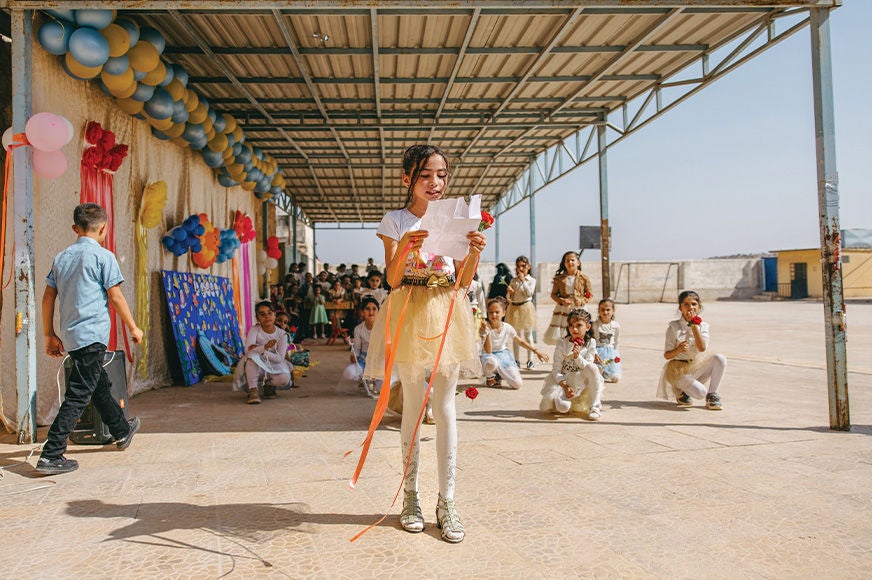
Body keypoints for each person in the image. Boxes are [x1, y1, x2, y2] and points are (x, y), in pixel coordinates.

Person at [362, 144, 486, 543]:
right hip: (411, 311)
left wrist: (475, 253)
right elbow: (394, 279)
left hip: (446, 311)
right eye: (425, 175)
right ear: (407, 179)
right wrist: (410, 246)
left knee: (446, 407)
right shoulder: (395, 220)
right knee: (414, 407)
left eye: (442, 175)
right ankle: (410, 496)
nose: (435, 183)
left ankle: (446, 500)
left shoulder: (457, 218)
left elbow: (463, 282)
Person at [38, 203, 144, 475]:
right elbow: (115, 296)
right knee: (79, 394)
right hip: (93, 334)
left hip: (73, 335)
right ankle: (51, 453)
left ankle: (121, 431)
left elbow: (48, 296)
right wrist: (133, 327)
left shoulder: (62, 258)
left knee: (98, 385)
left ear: (75, 229)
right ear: (104, 229)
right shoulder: (103, 256)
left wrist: (49, 334)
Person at [657, 290, 726, 410]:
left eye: (694, 304)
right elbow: (667, 355)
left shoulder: (703, 326)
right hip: (678, 369)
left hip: (696, 364)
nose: (690, 308)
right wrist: (678, 349)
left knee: (719, 359)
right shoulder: (673, 327)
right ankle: (682, 391)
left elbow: (702, 348)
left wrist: (694, 325)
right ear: (680, 307)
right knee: (700, 393)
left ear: (699, 307)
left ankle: (712, 395)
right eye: (686, 304)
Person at [539, 308, 605, 421]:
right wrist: (565, 386)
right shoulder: (562, 343)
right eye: (571, 325)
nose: (574, 329)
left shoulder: (591, 343)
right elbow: (556, 370)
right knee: (563, 407)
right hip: (566, 381)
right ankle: (565, 400)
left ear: (588, 327)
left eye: (579, 325)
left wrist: (577, 357)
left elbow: (587, 365)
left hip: (582, 380)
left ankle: (595, 407)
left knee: (593, 368)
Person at [479, 297, 548, 389]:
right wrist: (487, 332)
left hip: (503, 355)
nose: (494, 315)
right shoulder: (485, 328)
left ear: (503, 313)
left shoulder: (507, 327)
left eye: (497, 312)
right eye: (491, 312)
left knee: (517, 384)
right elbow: (488, 350)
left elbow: (520, 341)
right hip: (488, 355)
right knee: (491, 363)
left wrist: (536, 351)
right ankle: (490, 377)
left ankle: (499, 374)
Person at [233, 301, 291, 404]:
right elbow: (247, 351)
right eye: (262, 314)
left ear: (274, 315)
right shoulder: (255, 330)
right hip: (254, 369)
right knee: (252, 357)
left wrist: (261, 350)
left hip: (273, 367)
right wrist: (264, 347)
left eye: (270, 313)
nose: (267, 317)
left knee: (284, 378)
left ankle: (268, 386)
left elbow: (279, 359)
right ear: (257, 318)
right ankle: (253, 390)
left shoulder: (282, 334)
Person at [543, 250, 593, 345]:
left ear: (578, 262)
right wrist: (561, 301)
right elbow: (553, 295)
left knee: (579, 330)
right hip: (563, 309)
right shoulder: (559, 278)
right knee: (564, 333)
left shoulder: (584, 278)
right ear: (564, 263)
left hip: (579, 308)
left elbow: (589, 294)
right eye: (567, 261)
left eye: (572, 260)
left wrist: (582, 301)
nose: (570, 263)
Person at [505, 255, 538, 368]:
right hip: (514, 308)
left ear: (528, 266)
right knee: (516, 335)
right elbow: (509, 297)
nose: (521, 269)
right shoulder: (513, 280)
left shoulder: (531, 280)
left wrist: (523, 281)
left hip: (525, 308)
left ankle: (530, 360)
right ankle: (516, 360)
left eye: (523, 266)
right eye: (518, 266)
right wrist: (509, 292)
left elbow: (529, 293)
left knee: (528, 335)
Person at [593, 298, 622, 383]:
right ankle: (601, 372)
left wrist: (616, 354)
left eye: (608, 310)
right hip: (598, 353)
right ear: (598, 310)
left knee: (615, 378)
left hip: (611, 353)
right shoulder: (595, 325)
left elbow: (616, 341)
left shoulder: (616, 326)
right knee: (596, 377)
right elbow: (592, 341)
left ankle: (611, 372)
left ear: (613, 311)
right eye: (602, 309)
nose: (605, 312)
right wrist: (594, 353)